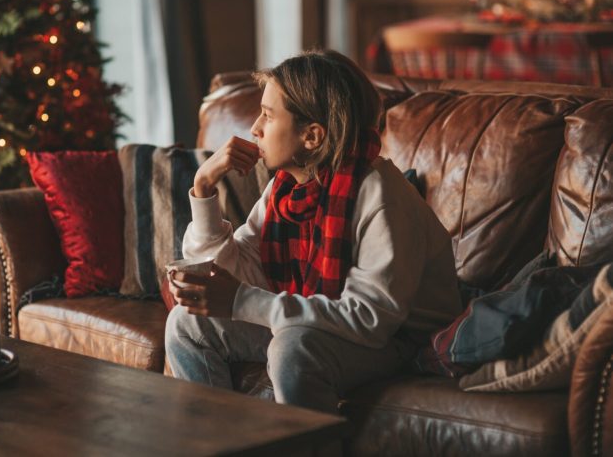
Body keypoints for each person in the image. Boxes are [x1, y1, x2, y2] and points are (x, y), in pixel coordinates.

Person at [164, 50, 462, 414]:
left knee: (293, 347)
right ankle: (220, 445)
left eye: (268, 116)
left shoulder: (380, 196)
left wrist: (241, 301)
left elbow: (370, 318)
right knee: (186, 323)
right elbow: (236, 270)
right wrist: (204, 187)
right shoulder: (285, 189)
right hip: (330, 322)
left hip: (401, 340)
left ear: (313, 137)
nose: (255, 128)